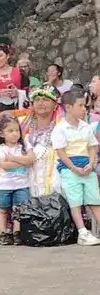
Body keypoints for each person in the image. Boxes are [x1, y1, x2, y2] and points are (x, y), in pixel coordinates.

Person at [51, 89, 100, 245]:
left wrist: (91, 163)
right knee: (75, 202)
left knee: (94, 200)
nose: (84, 109)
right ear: (68, 107)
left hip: (87, 167)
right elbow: (61, 152)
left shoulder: (85, 126)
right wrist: (73, 168)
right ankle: (82, 232)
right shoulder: (60, 128)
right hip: (70, 169)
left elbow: (92, 146)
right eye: (80, 105)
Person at [0, 114, 34, 245]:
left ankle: (17, 232)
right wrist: (22, 161)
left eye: (17, 130)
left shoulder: (24, 145)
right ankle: (4, 232)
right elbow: (4, 165)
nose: (15, 134)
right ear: (1, 133)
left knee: (19, 209)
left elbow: (31, 160)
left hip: (22, 184)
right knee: (3, 209)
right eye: (10, 131)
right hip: (4, 185)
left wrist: (12, 158)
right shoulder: (0, 149)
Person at [21, 86, 63, 197]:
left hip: (54, 176)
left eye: (45, 99)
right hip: (28, 176)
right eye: (37, 100)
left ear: (55, 105)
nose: (41, 103)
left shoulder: (62, 127)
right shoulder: (22, 126)